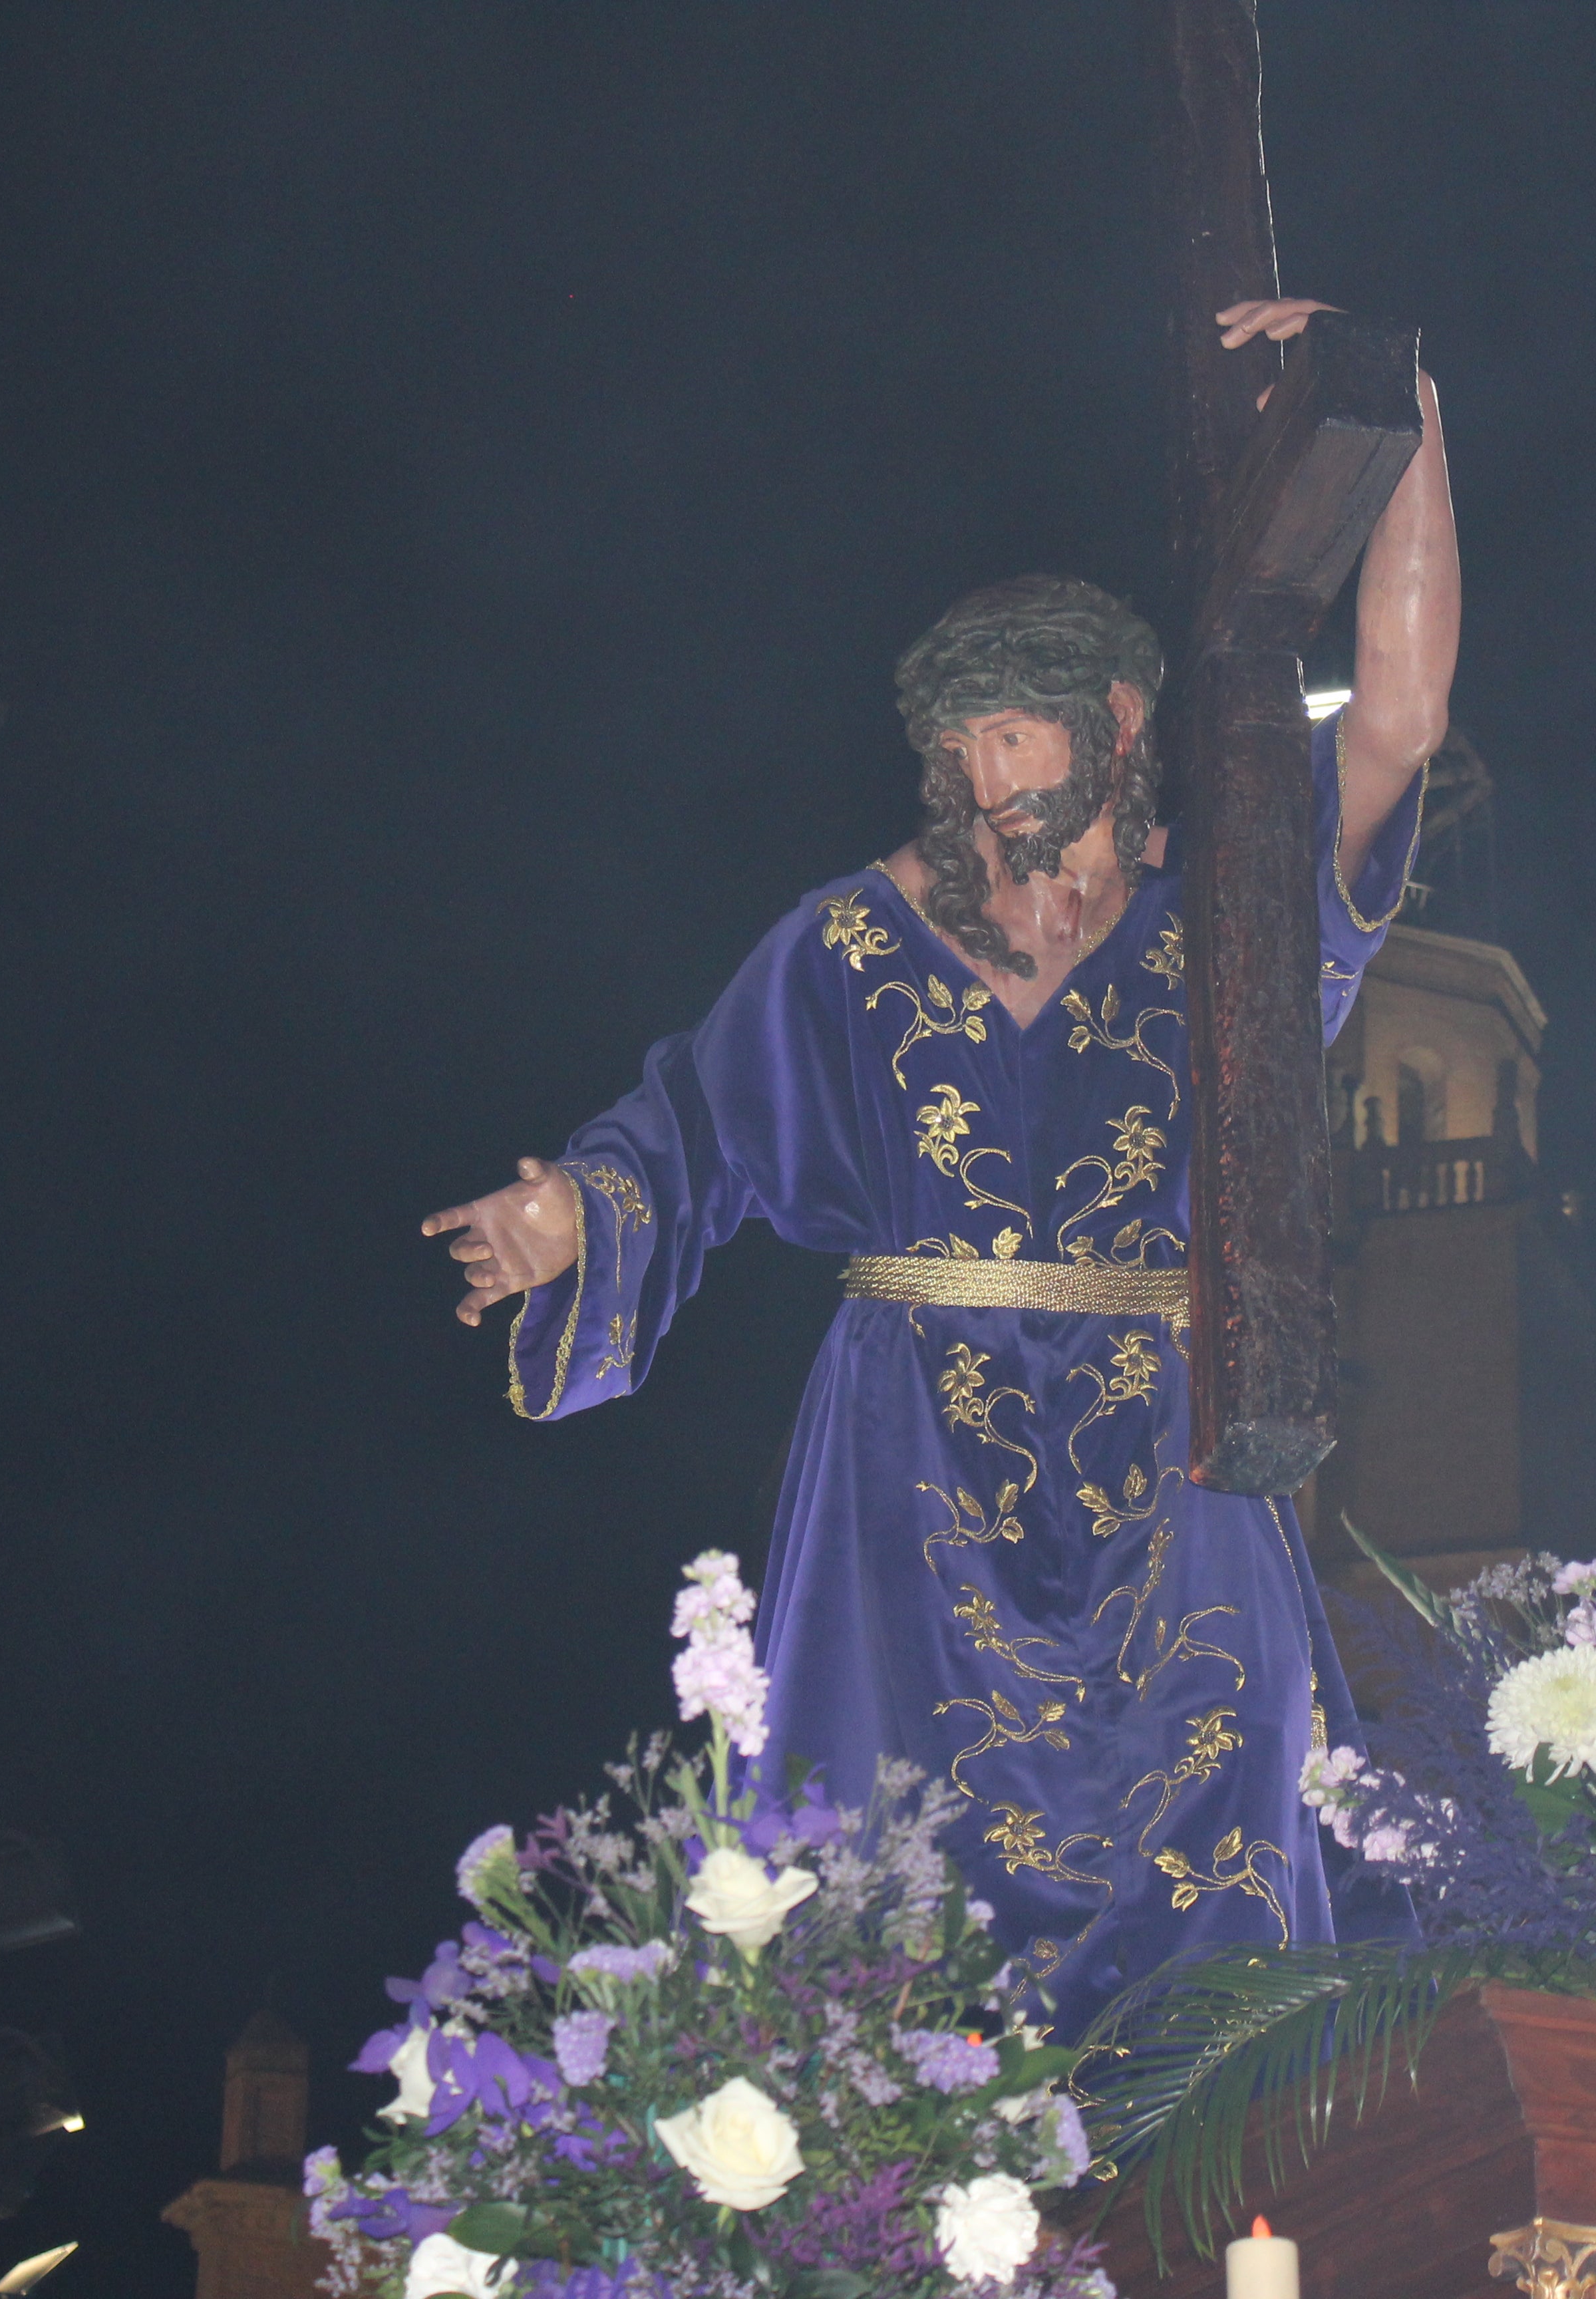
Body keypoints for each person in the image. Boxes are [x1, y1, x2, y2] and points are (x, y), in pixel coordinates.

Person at [425, 298, 1458, 2029]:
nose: (983, 784)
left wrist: (1394, 402)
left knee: (1227, 1842)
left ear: (1120, 724)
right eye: (961, 747)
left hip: (1175, 1445)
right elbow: (691, 1121)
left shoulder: (1235, 919)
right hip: (917, 1478)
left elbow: (1400, 721)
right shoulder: (852, 942)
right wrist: (572, 1214)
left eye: (1014, 739)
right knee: (884, 1884)